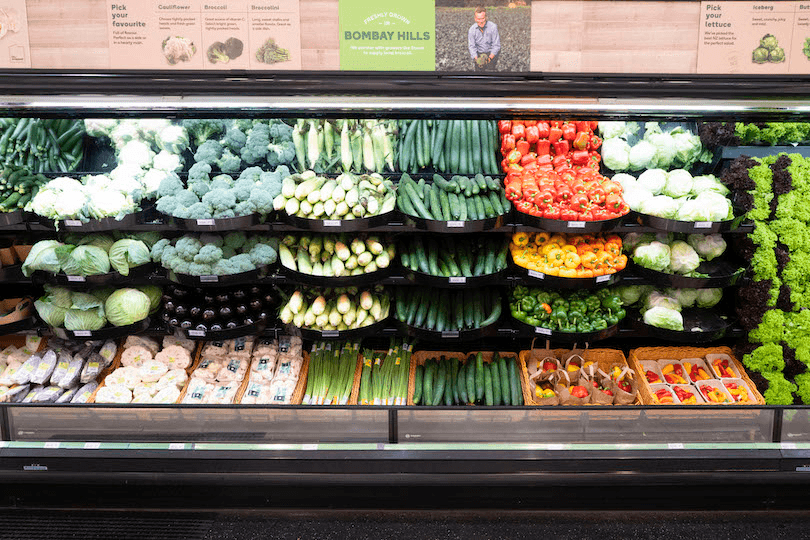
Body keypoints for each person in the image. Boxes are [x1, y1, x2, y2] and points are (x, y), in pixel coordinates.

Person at [468, 6, 500, 72]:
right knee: (478, 73)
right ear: (475, 19)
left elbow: (496, 45)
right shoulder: (472, 30)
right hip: (478, 53)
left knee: (490, 71)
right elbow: (472, 47)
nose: (481, 21)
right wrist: (476, 59)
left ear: (486, 17)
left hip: (490, 53)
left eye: (483, 18)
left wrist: (489, 58)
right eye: (478, 19)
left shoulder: (493, 27)